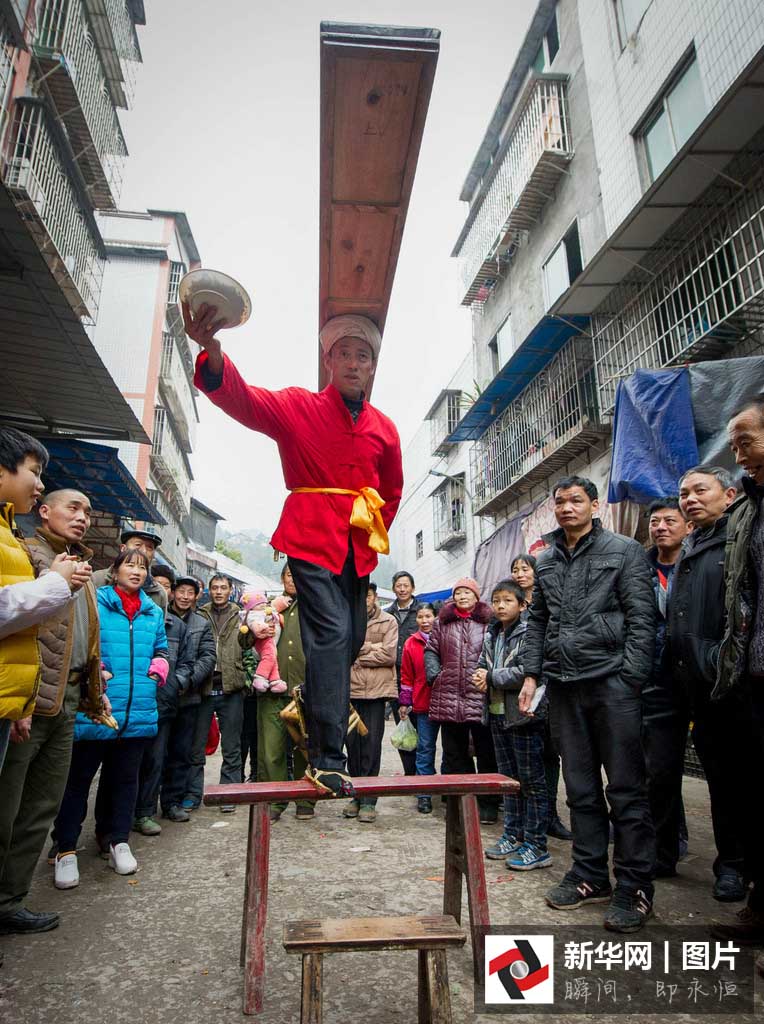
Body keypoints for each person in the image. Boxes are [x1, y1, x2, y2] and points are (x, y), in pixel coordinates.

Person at [185, 303, 403, 797]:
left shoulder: (384, 428)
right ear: (328, 361)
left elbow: (391, 489)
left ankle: (312, 704)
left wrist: (375, 529)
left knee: (346, 642)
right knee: (329, 635)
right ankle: (327, 757)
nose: (352, 362)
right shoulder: (299, 406)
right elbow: (244, 401)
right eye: (343, 353)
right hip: (308, 535)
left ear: (372, 366)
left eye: (362, 355)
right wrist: (212, 352)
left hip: (356, 546)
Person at [521, 476, 656, 933]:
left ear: (594, 505)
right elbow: (537, 620)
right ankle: (589, 874)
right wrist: (533, 674)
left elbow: (643, 618)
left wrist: (631, 678)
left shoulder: (624, 551)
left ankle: (635, 886)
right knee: (579, 789)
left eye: (576, 500)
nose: (566, 508)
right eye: (559, 502)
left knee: (626, 790)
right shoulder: (545, 559)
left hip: (612, 685)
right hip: (563, 687)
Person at [0, 489, 99, 937]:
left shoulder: (82, 566)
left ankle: (10, 901)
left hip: (68, 700)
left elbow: (84, 639)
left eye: (87, 513)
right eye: (72, 508)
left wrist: (95, 687)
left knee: (41, 806)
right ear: (44, 511)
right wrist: (19, 700)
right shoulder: (27, 555)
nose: (82, 518)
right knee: (7, 806)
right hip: (29, 704)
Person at [53, 549, 168, 885]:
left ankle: (119, 841)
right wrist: (96, 671)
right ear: (114, 571)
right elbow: (82, 643)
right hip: (97, 709)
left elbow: (161, 648)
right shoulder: (95, 601)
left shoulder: (152, 610)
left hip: (138, 712)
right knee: (77, 783)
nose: (136, 571)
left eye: (142, 567)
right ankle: (65, 849)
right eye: (130, 565)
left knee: (125, 783)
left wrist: (157, 670)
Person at [667, 466, 746, 902]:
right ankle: (731, 864)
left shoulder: (738, 542)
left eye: (701, 490)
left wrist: (718, 659)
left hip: (734, 683)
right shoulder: (692, 544)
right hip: (699, 685)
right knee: (720, 781)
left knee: (743, 780)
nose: (690, 499)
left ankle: (740, 866)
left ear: (729, 494)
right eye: (684, 493)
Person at [0, 428, 83, 779]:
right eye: (34, 471)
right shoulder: (32, 550)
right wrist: (54, 583)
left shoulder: (9, 533)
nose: (38, 485)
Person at [711, 399, 764, 949]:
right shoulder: (747, 509)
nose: (737, 450)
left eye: (746, 438)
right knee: (753, 798)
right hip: (751, 675)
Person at [475, 579, 551, 871]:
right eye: (496, 601)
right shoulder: (492, 632)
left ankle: (536, 844)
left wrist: (491, 676)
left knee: (531, 781)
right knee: (508, 781)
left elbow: (527, 671)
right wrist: (480, 674)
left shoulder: (530, 632)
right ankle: (512, 834)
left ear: (522, 604)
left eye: (508, 600)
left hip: (522, 715)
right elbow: (483, 663)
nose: (501, 606)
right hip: (496, 714)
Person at [133, 575, 216, 831]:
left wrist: (182, 682)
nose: (184, 596)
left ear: (196, 596)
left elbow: (207, 658)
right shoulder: (159, 618)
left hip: (188, 698)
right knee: (154, 756)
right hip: (158, 699)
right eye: (180, 591)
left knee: (181, 754)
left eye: (190, 592)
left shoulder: (201, 624)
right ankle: (144, 808)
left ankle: (172, 802)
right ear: (172, 593)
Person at [641, 498, 692, 878]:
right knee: (656, 771)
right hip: (652, 681)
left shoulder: (700, 562)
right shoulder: (640, 569)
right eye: (654, 521)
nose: (660, 527)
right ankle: (663, 851)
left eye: (669, 520)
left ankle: (734, 864)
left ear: (687, 526)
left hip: (696, 678)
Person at [241, 564, 314, 821]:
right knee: (270, 750)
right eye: (289, 574)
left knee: (304, 746)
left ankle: (306, 799)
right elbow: (243, 640)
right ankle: (274, 800)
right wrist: (252, 631)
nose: (294, 579)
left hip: (304, 688)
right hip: (272, 689)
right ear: (282, 578)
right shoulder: (266, 607)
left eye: (298, 574)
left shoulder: (315, 606)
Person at [424, 577, 499, 825]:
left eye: (467, 592)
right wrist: (435, 675)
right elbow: (431, 651)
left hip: (480, 693)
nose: (462, 596)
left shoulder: (488, 622)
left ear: (477, 597)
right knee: (454, 753)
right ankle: (460, 804)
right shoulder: (441, 623)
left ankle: (488, 804)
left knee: (486, 752)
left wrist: (489, 677)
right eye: (459, 592)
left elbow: (496, 651)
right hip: (448, 695)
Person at [512, 552, 571, 842]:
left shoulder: (550, 597)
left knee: (551, 753)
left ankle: (551, 816)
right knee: (526, 758)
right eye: (516, 569)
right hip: (525, 688)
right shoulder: (510, 603)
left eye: (526, 569)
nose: (521, 574)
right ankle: (529, 817)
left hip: (553, 684)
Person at [186, 573, 246, 813]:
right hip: (204, 688)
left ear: (231, 590)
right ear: (208, 591)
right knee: (196, 746)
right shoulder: (200, 614)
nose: (219, 591)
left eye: (223, 588)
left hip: (232, 687)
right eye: (215, 588)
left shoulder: (241, 614)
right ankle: (192, 794)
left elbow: (252, 643)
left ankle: (228, 793)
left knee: (232, 747)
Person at [344, 583, 398, 824]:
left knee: (371, 745)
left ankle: (369, 799)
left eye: (367, 594)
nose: (363, 599)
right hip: (350, 690)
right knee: (352, 744)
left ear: (374, 596)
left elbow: (389, 655)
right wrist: (371, 647)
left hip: (376, 693)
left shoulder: (388, 621)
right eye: (359, 594)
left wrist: (359, 651)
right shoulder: (345, 619)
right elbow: (342, 652)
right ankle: (355, 794)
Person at [399, 603, 438, 814]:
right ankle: (424, 794)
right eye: (421, 617)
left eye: (429, 616)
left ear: (436, 617)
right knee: (425, 749)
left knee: (453, 752)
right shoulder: (411, 643)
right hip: (423, 703)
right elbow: (406, 675)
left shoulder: (444, 638)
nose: (425, 620)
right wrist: (405, 702)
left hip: (446, 703)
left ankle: (450, 791)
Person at [385, 570, 420, 775]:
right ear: (394, 589)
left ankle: (423, 775)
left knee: (423, 727)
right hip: (396, 677)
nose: (402, 589)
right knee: (403, 724)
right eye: (399, 585)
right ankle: (410, 773)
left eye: (406, 585)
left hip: (420, 677)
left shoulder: (422, 611)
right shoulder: (388, 614)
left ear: (412, 588)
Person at [92, 528, 167, 612]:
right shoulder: (97, 579)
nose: (144, 551)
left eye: (149, 547)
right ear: (123, 548)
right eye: (138, 545)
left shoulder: (159, 593)